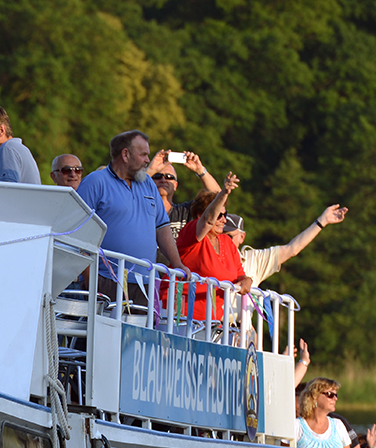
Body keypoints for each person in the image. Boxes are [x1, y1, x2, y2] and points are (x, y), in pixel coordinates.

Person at [75, 130, 182, 301]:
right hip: (105, 280)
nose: (148, 160)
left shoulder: (148, 184)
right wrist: (90, 280)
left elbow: (162, 227)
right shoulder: (95, 182)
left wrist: (177, 264)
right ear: (125, 154)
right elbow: (77, 233)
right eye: (143, 155)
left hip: (145, 283)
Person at [173, 177, 253, 319]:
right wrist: (224, 193)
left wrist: (247, 281)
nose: (224, 220)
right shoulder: (190, 234)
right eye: (219, 215)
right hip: (180, 317)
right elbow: (207, 221)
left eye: (225, 214)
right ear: (199, 215)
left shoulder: (227, 243)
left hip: (212, 320)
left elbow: (240, 275)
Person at [296, 379, 360, 448]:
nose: (335, 398)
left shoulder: (338, 425)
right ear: (314, 397)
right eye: (330, 394)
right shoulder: (297, 426)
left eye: (336, 395)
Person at [150, 150, 220, 240]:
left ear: (175, 185)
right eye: (157, 176)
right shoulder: (140, 210)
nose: (163, 180)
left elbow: (218, 198)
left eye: (169, 177)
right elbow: (128, 191)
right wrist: (150, 170)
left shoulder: (186, 212)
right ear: (149, 182)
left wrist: (200, 170)